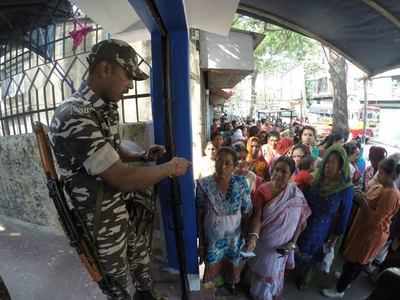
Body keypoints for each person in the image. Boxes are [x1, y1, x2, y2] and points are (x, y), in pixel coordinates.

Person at [49, 39, 191, 300]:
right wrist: (170, 168)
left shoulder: (102, 107)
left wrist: (140, 154)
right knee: (118, 286)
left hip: (119, 209)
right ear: (105, 69)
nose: (130, 85)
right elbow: (120, 176)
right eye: (128, 76)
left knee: (140, 263)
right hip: (100, 221)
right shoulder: (74, 115)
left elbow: (113, 144)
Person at [322, 158, 400, 298]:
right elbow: (371, 202)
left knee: (356, 262)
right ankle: (346, 280)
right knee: (353, 259)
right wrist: (362, 196)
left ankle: (339, 290)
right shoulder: (383, 187)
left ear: (391, 175)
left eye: (381, 173)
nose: (378, 175)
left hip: (372, 233)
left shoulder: (391, 194)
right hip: (365, 230)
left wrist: (362, 202)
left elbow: (376, 219)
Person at [245, 156, 311, 300]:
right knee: (261, 276)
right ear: (271, 170)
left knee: (275, 275)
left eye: (284, 171)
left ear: (291, 174)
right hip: (263, 244)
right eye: (276, 170)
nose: (279, 174)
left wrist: (293, 243)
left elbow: (301, 223)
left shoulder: (296, 195)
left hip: (283, 247)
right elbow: (257, 217)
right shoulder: (263, 190)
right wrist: (253, 237)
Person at [296, 144, 354, 289]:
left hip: (324, 227)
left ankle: (307, 276)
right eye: (327, 162)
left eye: (333, 163)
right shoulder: (316, 178)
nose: (328, 166)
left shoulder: (345, 188)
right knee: (298, 248)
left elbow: (344, 214)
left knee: (315, 254)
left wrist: (336, 235)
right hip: (305, 220)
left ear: (341, 166)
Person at [197, 147, 252, 294]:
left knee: (231, 266)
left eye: (227, 163)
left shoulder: (241, 183)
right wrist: (201, 243)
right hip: (213, 240)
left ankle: (230, 284)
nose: (222, 166)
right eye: (219, 161)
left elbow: (247, 211)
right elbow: (199, 214)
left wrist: (246, 237)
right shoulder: (203, 184)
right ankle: (212, 289)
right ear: (214, 161)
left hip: (234, 238)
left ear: (234, 166)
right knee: (211, 272)